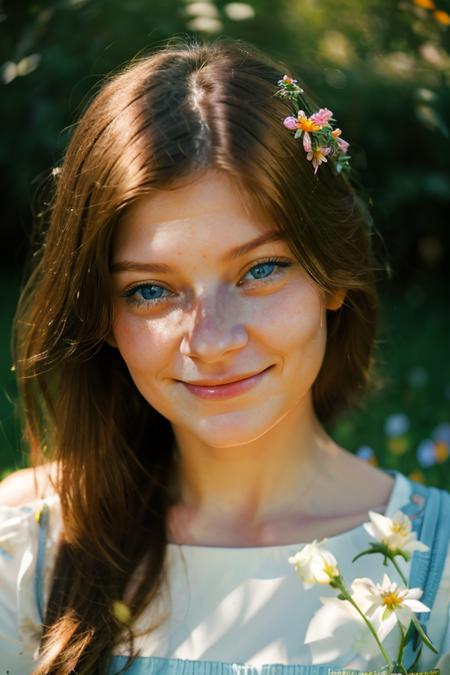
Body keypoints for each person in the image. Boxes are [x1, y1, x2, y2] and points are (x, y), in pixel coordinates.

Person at [0, 36, 448, 675]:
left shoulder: (437, 569)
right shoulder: (28, 549)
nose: (211, 341)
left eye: (260, 269)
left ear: (334, 275)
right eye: (150, 290)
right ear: (101, 315)